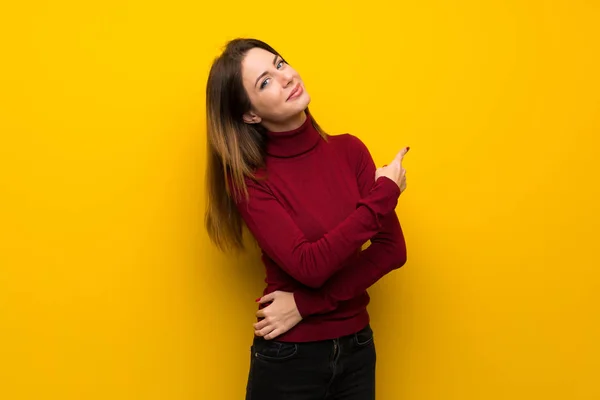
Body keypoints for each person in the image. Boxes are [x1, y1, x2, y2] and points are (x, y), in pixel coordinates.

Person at [204, 38, 409, 400]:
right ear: (250, 114)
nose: (285, 77)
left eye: (280, 64)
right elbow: (309, 265)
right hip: (290, 359)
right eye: (264, 82)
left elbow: (392, 250)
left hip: (358, 349)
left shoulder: (350, 150)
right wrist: (384, 194)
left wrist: (305, 304)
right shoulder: (251, 180)